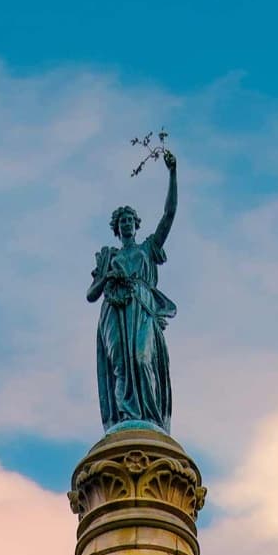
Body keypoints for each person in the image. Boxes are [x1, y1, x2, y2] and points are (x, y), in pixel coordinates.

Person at [88, 151, 178, 431]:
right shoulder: (107, 256)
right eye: (122, 221)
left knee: (141, 358)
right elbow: (91, 294)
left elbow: (169, 214)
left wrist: (173, 173)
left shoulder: (148, 249)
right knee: (119, 365)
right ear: (116, 228)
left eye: (130, 219)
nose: (126, 223)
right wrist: (108, 277)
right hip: (114, 310)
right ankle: (125, 419)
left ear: (136, 225)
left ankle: (149, 420)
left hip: (142, 307)